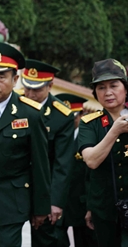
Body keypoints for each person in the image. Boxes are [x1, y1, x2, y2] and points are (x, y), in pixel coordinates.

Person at [0, 42, 51, 247]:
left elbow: (40, 164)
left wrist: (41, 208)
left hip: (14, 200)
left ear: (15, 80)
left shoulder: (29, 113)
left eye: (1, 76)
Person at [21, 60, 75, 247]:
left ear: (50, 85)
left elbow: (63, 163)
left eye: (36, 89)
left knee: (48, 239)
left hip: (45, 190)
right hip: (15, 187)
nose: (30, 94)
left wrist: (55, 202)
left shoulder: (62, 116)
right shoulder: (15, 105)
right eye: (27, 87)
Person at [78, 59, 128, 246]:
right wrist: (114, 131)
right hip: (104, 211)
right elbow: (91, 161)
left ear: (125, 88)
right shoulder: (89, 123)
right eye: (101, 87)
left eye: (114, 85)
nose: (108, 92)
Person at [58, 93, 98, 247]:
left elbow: (93, 175)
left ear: (80, 115)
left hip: (82, 206)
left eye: (73, 117)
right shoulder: (57, 137)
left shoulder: (89, 137)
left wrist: (90, 207)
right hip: (59, 206)